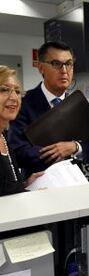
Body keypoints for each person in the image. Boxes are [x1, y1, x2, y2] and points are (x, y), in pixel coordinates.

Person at [8, 41, 89, 178]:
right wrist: (57, 151)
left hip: (77, 184)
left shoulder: (77, 104)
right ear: (41, 68)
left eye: (68, 64)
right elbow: (18, 151)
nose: (64, 71)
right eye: (56, 64)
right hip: (40, 185)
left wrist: (74, 147)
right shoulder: (23, 103)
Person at [0, 65, 43, 196]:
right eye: (4, 90)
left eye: (17, 91)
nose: (14, 97)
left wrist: (24, 185)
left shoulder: (4, 138)